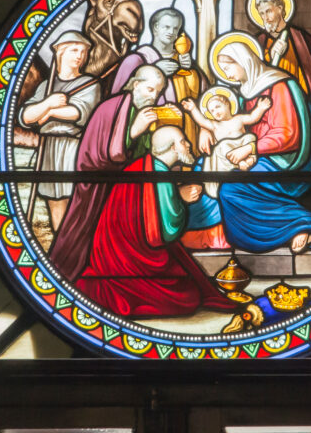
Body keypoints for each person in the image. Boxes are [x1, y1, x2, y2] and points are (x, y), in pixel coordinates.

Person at [72, 126, 237, 318]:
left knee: (188, 282)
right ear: (172, 148)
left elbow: (152, 212)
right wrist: (181, 197)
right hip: (128, 263)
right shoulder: (159, 174)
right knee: (187, 298)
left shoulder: (146, 166)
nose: (188, 145)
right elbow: (166, 231)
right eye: (183, 142)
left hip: (120, 254)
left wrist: (176, 194)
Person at [193, 34, 311, 254]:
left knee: (230, 189)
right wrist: (203, 128)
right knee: (201, 167)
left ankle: (301, 223)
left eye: (228, 67)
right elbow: (224, 116)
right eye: (222, 69)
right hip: (253, 154)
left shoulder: (278, 86)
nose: (226, 74)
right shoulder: (244, 90)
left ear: (244, 61)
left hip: (286, 160)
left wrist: (249, 149)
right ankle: (208, 232)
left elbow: (287, 134)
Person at [49, 64, 168, 279]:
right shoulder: (111, 107)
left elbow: (143, 154)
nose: (154, 96)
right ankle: (61, 274)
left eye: (158, 92)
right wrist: (134, 130)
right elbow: (110, 154)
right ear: (136, 84)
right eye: (151, 90)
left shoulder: (138, 111)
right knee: (82, 231)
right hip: (97, 182)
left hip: (124, 184)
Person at [18, 31, 101, 231]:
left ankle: (73, 242)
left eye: (83, 51)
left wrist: (50, 112)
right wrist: (47, 102)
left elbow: (79, 112)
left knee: (74, 198)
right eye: (74, 50)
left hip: (73, 145)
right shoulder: (46, 87)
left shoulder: (89, 83)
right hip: (48, 146)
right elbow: (26, 117)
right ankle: (59, 246)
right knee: (53, 199)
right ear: (60, 53)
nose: (80, 55)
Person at [251, 0, 311, 170]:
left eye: (269, 11)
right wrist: (268, 58)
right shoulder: (257, 44)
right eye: (261, 13)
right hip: (268, 109)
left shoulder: (305, 42)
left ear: (281, 8)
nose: (265, 17)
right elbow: (253, 76)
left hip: (300, 108)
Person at [110, 8, 207, 151]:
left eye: (175, 28)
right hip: (145, 135)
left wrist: (192, 71)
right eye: (166, 27)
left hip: (183, 135)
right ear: (155, 28)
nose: (171, 32)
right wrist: (153, 69)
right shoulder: (136, 59)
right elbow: (116, 101)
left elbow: (204, 96)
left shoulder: (183, 60)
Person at [180, 89, 271, 198]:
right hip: (227, 154)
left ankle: (249, 160)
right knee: (222, 146)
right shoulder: (215, 125)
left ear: (227, 104)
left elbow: (252, 118)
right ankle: (239, 164)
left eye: (217, 107)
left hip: (242, 147)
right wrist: (193, 109)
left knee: (250, 137)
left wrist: (260, 108)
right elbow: (202, 121)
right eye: (212, 111)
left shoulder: (239, 119)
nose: (215, 112)